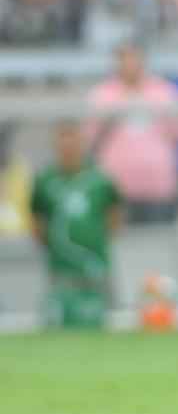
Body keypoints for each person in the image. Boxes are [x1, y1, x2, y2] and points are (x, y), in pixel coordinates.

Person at [30, 121, 123, 329]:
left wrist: (98, 239)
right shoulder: (45, 180)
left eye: (73, 143)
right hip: (60, 266)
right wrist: (54, 244)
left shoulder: (100, 180)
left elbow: (115, 214)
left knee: (98, 321)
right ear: (56, 147)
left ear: (82, 144)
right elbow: (37, 218)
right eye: (63, 144)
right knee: (60, 324)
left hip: (94, 262)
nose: (68, 149)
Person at [86, 41, 178, 224]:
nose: (129, 64)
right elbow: (89, 138)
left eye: (134, 58)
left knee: (158, 243)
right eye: (124, 59)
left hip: (158, 184)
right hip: (115, 185)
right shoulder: (102, 94)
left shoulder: (164, 91)